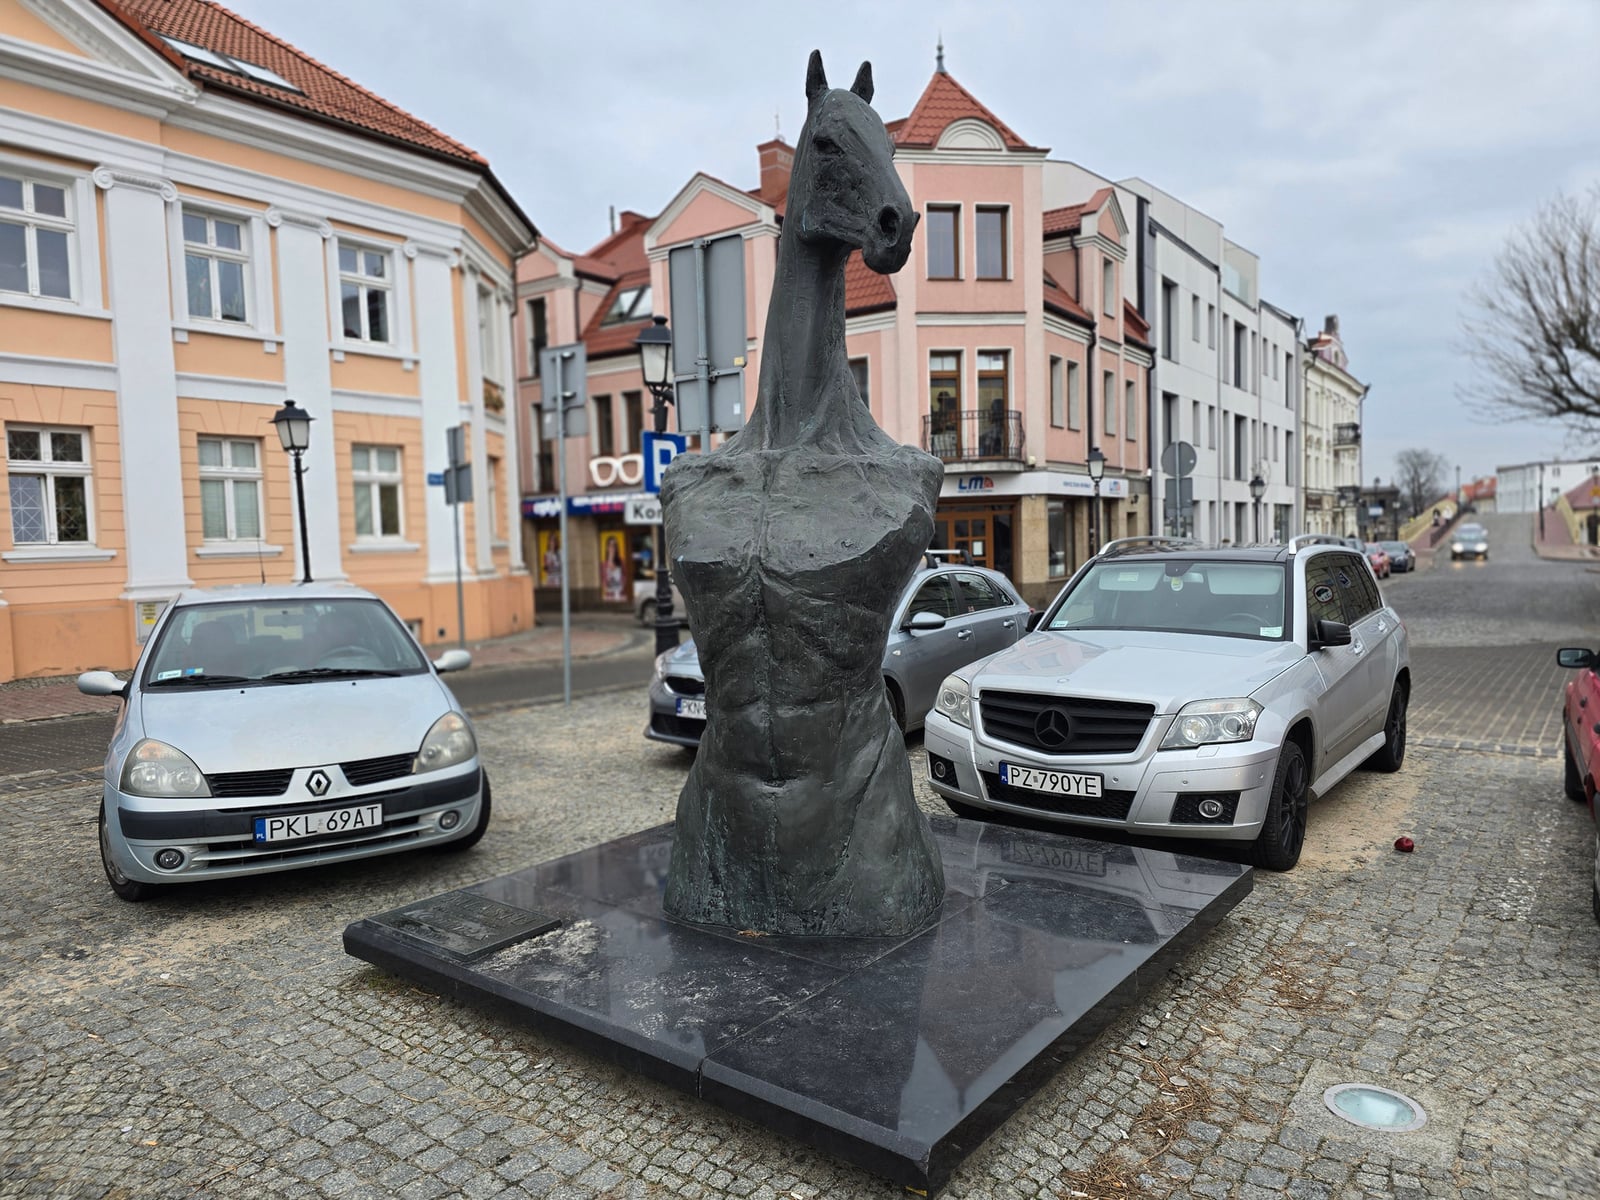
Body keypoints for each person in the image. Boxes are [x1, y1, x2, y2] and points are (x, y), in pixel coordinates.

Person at [602, 536, 625, 602]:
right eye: (610, 545)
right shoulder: (603, 564)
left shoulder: (621, 562)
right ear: (607, 547)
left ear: (616, 548)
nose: (612, 547)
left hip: (620, 594)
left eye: (614, 545)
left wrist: (622, 584)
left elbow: (625, 576)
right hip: (608, 595)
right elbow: (603, 579)